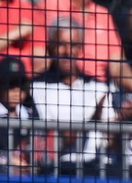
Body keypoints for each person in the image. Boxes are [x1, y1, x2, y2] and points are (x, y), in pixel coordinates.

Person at [30, 17, 121, 172]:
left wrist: (123, 120)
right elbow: (49, 144)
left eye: (74, 45)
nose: (68, 52)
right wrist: (91, 120)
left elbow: (113, 143)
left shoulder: (99, 87)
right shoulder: (35, 88)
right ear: (51, 48)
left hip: (100, 168)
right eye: (61, 45)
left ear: (80, 49)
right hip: (59, 170)